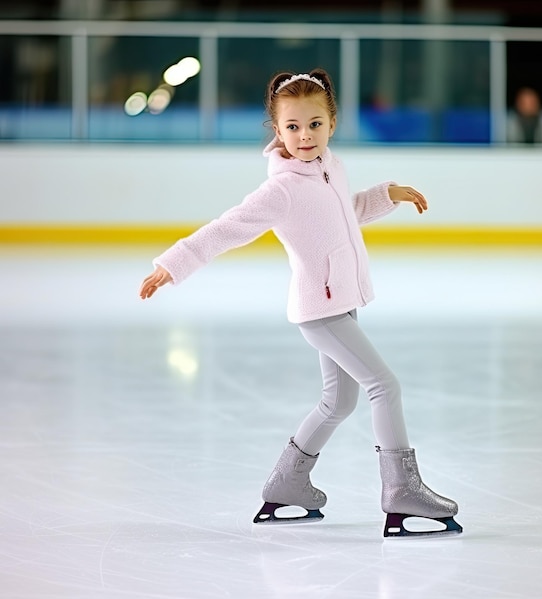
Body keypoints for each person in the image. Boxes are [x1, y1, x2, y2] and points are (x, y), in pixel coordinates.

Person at [139, 69, 462, 538]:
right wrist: (175, 262)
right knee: (384, 386)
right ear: (277, 130)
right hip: (321, 310)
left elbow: (341, 214)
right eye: (292, 127)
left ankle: (287, 483)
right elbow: (229, 226)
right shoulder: (282, 188)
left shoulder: (330, 167)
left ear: (332, 123)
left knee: (338, 401)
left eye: (314, 124)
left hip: (341, 302)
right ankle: (401, 490)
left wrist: (383, 195)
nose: (304, 136)